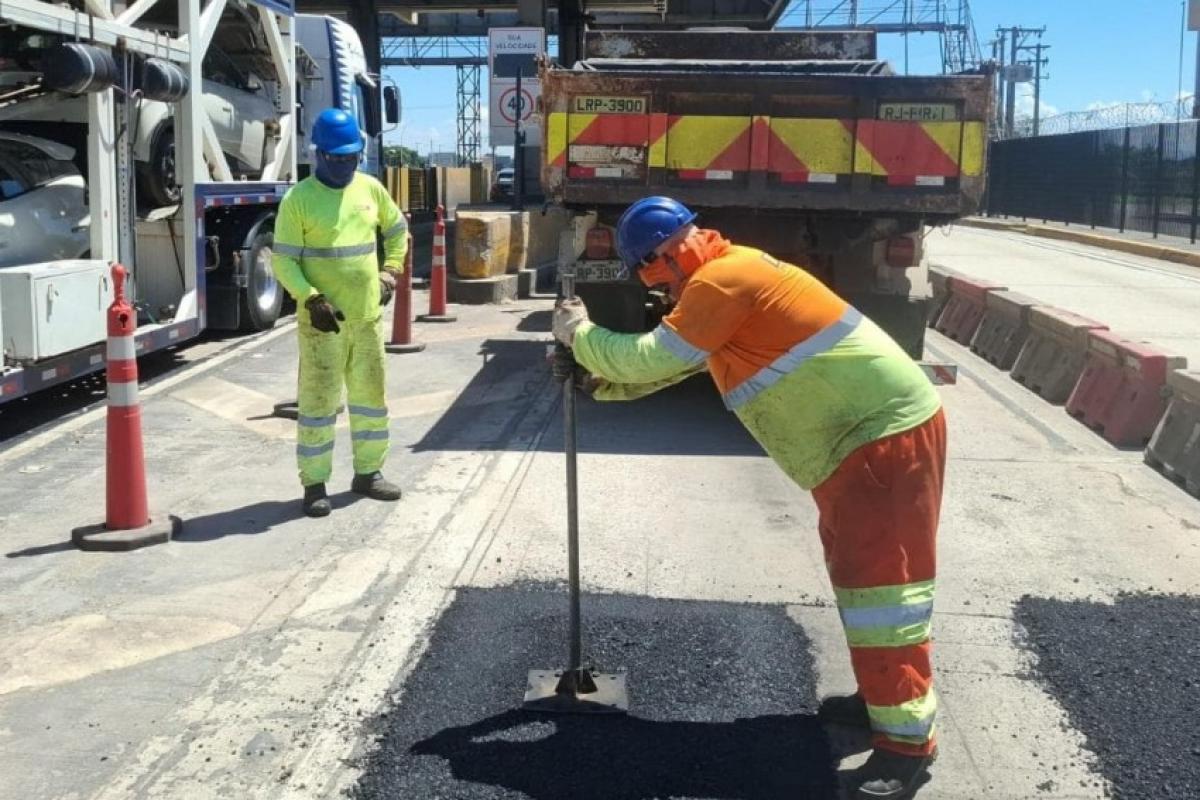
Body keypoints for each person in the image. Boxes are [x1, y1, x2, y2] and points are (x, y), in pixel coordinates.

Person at [552, 196, 946, 800]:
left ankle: (906, 747)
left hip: (879, 440)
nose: (652, 282)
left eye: (652, 267)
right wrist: (599, 385)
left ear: (674, 247)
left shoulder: (725, 279)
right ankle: (881, 700)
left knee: (884, 595)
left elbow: (654, 356)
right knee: (862, 581)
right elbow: (681, 366)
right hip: (855, 446)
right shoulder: (726, 278)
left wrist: (581, 336)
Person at [272, 108, 408, 518]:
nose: (345, 165)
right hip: (322, 326)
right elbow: (284, 261)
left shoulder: (370, 189)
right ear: (318, 154)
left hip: (366, 320)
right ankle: (314, 484)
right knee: (318, 404)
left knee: (371, 400)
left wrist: (390, 272)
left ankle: (369, 473)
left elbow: (397, 230)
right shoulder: (299, 200)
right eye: (337, 158)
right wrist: (310, 298)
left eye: (351, 157)